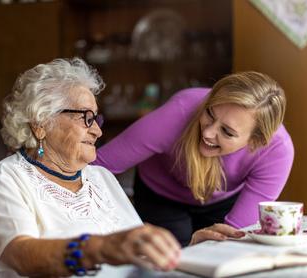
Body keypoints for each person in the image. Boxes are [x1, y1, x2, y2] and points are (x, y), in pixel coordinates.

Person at [0, 58, 244, 278]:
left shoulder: (100, 178)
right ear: (41, 123)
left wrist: (185, 251)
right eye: (86, 118)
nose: (98, 131)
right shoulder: (3, 179)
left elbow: (135, 254)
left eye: (97, 118)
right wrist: (101, 247)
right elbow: (22, 256)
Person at [94, 71, 294, 246]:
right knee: (168, 263)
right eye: (210, 113)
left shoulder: (277, 152)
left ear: (256, 142)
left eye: (227, 131)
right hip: (161, 195)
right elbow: (98, 166)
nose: (208, 132)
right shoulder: (180, 111)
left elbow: (235, 235)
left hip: (223, 201)